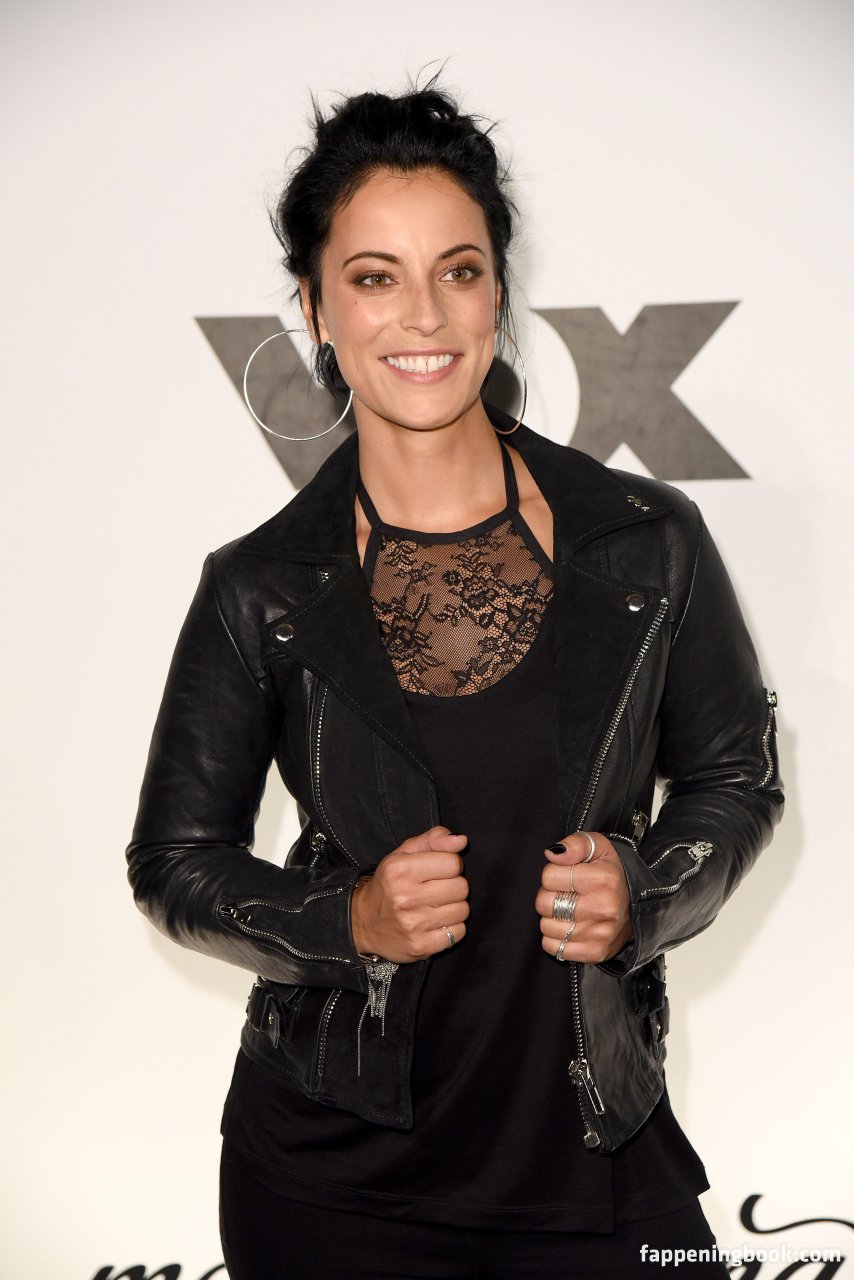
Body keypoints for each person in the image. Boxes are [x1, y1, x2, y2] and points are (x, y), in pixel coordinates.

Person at [126, 81, 783, 1280]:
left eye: (458, 270)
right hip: (330, 1185)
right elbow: (174, 861)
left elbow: (734, 777)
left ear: (496, 294)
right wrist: (347, 921)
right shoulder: (260, 586)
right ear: (316, 307)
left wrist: (645, 891)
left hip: (595, 1155)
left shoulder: (644, 541)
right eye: (373, 276)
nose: (421, 314)